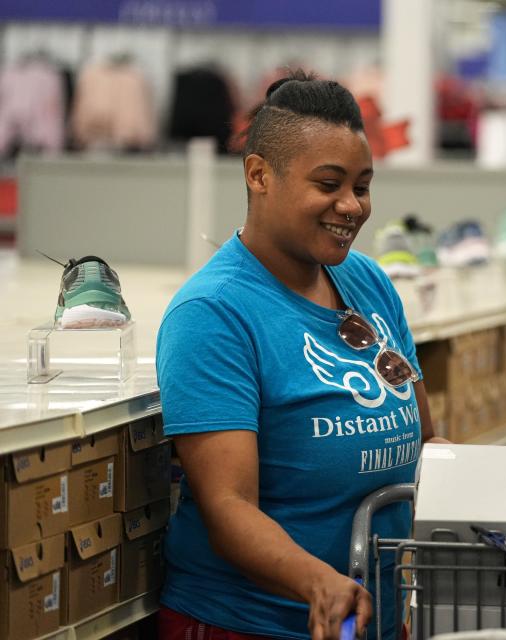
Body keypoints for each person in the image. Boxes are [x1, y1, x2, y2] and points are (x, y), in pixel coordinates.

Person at [156, 72, 443, 640]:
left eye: (362, 185)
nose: (352, 206)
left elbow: (426, 439)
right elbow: (230, 508)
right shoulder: (214, 314)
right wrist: (319, 583)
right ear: (258, 174)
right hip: (255, 624)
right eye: (328, 184)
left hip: (370, 619)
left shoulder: (368, 282)